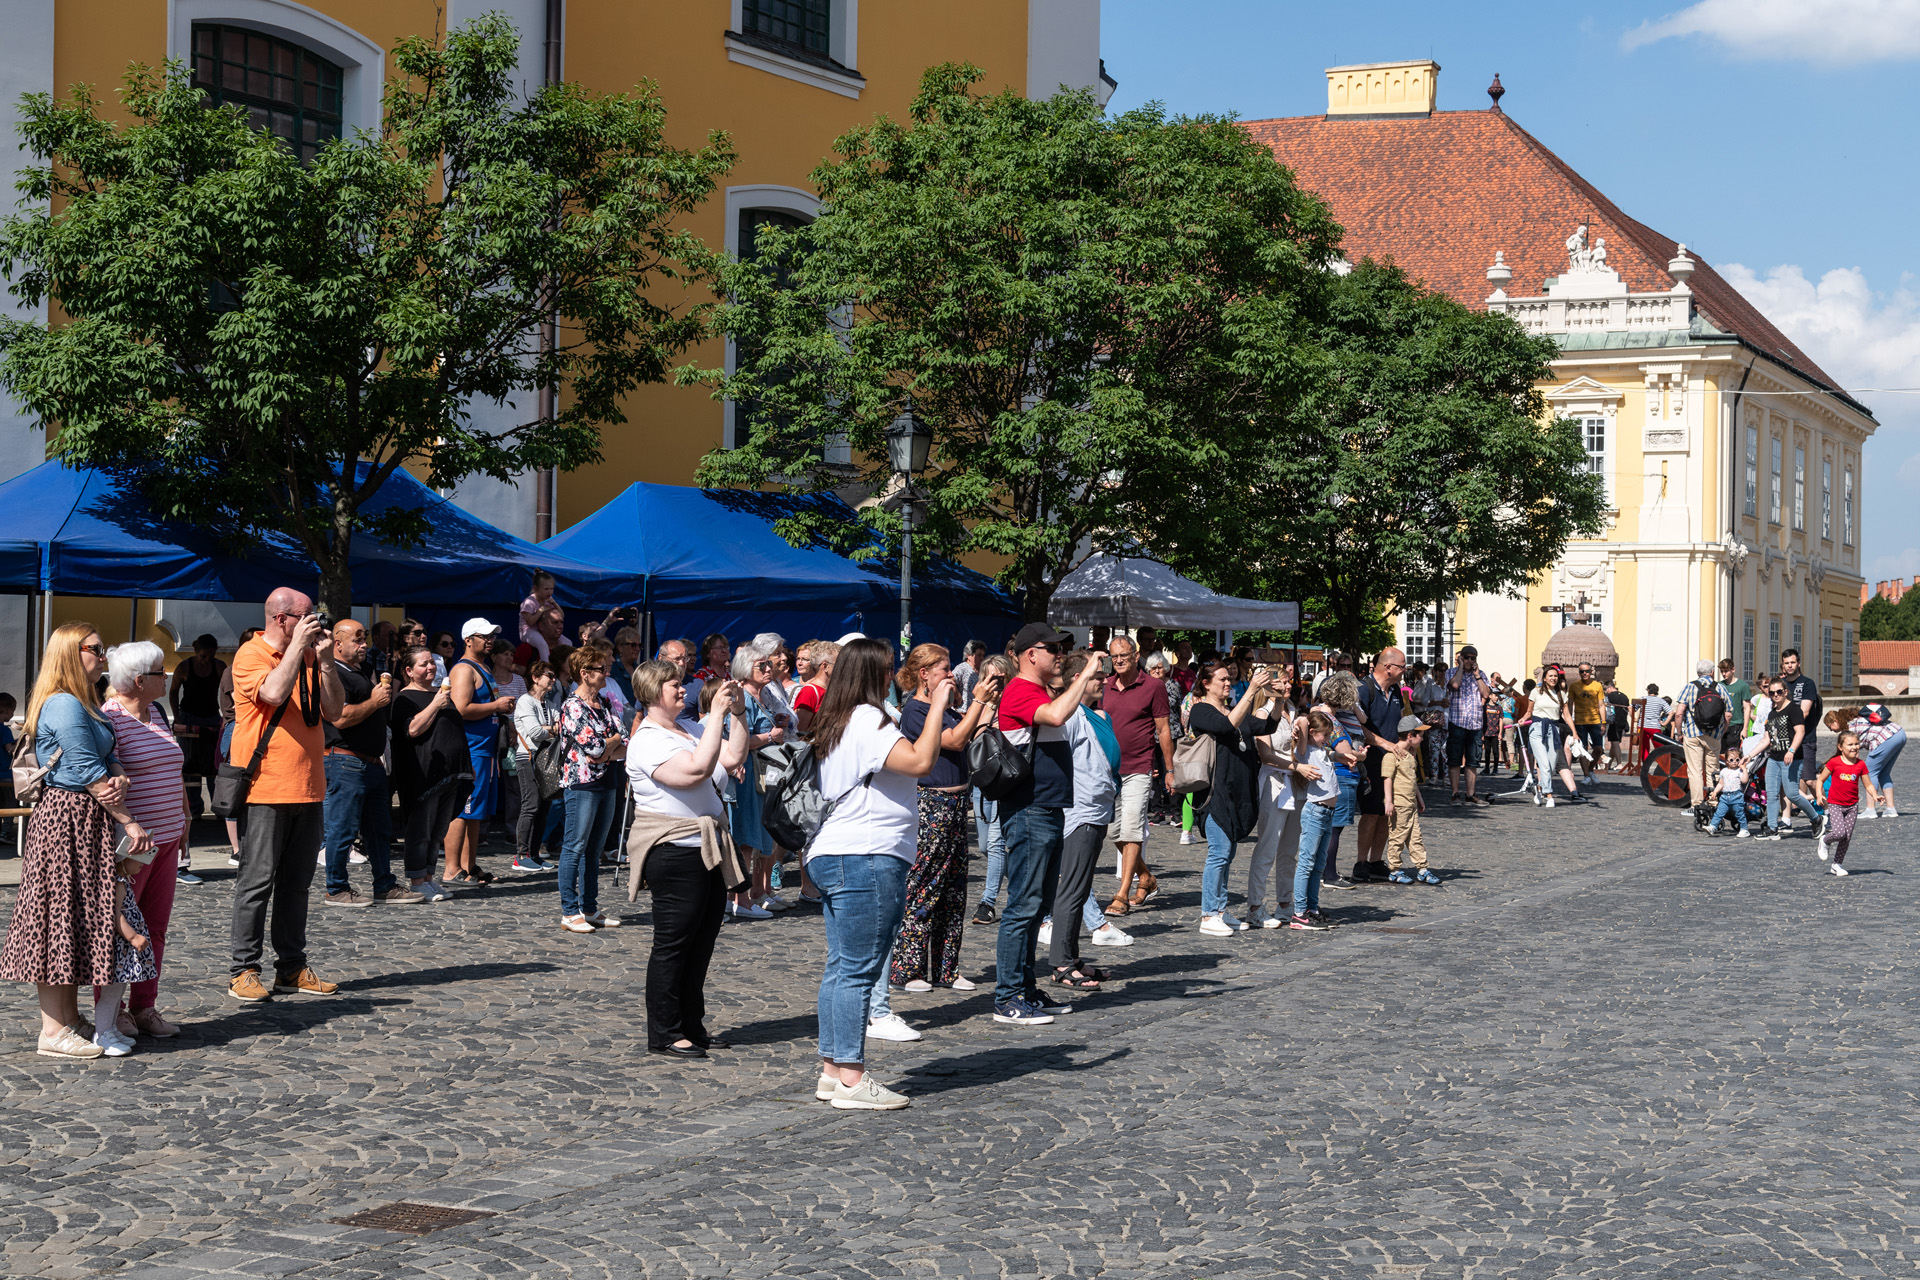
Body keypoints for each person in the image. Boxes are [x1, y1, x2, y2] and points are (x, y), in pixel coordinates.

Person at [806, 638, 951, 1110]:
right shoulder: (868, 720)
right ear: (872, 674)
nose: (893, 676)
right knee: (858, 970)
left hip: (839, 851)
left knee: (841, 966)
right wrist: (938, 707)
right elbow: (921, 762)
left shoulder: (838, 719)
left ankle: (833, 1071)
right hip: (867, 853)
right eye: (887, 669)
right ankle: (851, 1077)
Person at [2, 624, 159, 1057]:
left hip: (85, 820)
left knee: (74, 920)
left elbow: (107, 758)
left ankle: (69, 1020)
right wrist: (127, 819)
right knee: (55, 920)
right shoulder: (64, 704)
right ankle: (52, 1032)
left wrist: (118, 775)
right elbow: (88, 768)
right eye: (96, 648)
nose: (104, 656)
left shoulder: (86, 703)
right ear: (72, 653)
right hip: (65, 820)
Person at [623, 658, 749, 1058]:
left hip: (707, 847)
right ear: (651, 691)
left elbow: (731, 758)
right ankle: (664, 1032)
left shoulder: (688, 728)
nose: (683, 690)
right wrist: (714, 715)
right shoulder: (648, 739)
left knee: (702, 943)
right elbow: (695, 771)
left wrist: (739, 714)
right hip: (673, 850)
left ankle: (692, 1026)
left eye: (682, 684)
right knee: (674, 945)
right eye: (674, 685)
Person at [227, 589, 344, 1005]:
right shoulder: (251, 654)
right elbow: (273, 694)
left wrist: (325, 661)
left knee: (296, 885)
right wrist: (298, 648)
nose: (315, 622)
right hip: (266, 787)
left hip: (309, 787)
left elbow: (333, 711)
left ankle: (292, 968)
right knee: (256, 882)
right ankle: (243, 969)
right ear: (281, 619)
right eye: (307, 616)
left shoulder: (311, 656)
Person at [991, 623, 1099, 1027]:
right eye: (1052, 648)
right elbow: (1055, 715)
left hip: (1047, 807)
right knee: (1023, 907)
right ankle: (1007, 998)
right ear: (1029, 654)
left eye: (1061, 647)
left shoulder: (1038, 690)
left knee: (1037, 908)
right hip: (1029, 809)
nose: (1059, 654)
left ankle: (1025, 989)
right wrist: (1084, 675)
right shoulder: (1020, 689)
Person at [887, 644, 999, 995]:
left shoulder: (947, 709)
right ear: (924, 674)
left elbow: (972, 732)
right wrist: (977, 703)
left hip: (955, 805)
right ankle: (908, 968)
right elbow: (954, 739)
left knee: (953, 892)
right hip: (931, 804)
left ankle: (946, 968)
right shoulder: (917, 711)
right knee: (924, 888)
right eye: (944, 669)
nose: (951, 674)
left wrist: (988, 698)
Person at [100, 641, 190, 1040]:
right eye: (159, 671)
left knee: (155, 926)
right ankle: (112, 1009)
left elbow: (173, 766)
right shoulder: (110, 719)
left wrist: (185, 816)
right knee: (121, 927)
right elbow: (107, 781)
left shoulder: (156, 712)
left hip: (167, 836)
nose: (166, 677)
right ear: (139, 681)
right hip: (132, 846)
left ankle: (144, 1006)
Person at [318, 620, 416, 908]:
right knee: (342, 828)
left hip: (370, 763)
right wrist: (374, 702)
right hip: (345, 761)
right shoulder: (333, 674)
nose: (363, 645)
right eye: (357, 640)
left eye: (364, 639)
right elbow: (340, 717)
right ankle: (336, 888)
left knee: (379, 830)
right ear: (337, 644)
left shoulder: (359, 671)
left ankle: (384, 884)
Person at [1189, 659, 1282, 937]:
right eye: (1222, 680)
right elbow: (1227, 726)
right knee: (1218, 853)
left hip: (1238, 792)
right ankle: (1208, 915)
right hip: (1215, 793)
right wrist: (1252, 690)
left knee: (1227, 854)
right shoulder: (1200, 710)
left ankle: (1220, 910)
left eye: (1230, 680)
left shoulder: (1233, 709)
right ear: (1206, 684)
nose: (1228, 683)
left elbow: (1266, 727)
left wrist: (1277, 700)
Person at [1046, 651, 1120, 985]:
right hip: (1082, 810)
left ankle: (1072, 956)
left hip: (1098, 808)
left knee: (1081, 886)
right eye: (1097, 676)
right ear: (1079, 680)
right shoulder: (1072, 715)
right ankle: (1062, 963)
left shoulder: (1093, 713)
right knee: (1073, 888)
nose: (1104, 681)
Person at [441, 620, 517, 888]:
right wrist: (496, 705)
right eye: (483, 636)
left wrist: (498, 710)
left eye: (491, 636)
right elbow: (460, 708)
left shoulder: (483, 667)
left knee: (477, 812)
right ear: (468, 640)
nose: (489, 640)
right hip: (471, 749)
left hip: (485, 750)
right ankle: (451, 869)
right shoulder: (464, 669)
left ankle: (469, 865)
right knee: (464, 809)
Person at [556, 641, 626, 932]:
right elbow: (596, 748)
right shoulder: (573, 706)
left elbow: (623, 738)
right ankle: (569, 911)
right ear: (584, 673)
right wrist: (610, 745)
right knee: (575, 846)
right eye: (601, 668)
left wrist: (609, 745)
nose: (607, 672)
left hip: (607, 780)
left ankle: (590, 907)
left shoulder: (604, 703)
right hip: (582, 783)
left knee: (594, 849)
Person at [1102, 635, 1172, 917]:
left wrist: (1169, 769)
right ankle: (1146, 878)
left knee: (1131, 828)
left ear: (1136, 655)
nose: (1118, 660)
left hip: (1139, 767)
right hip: (1107, 770)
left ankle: (1122, 893)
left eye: (1123, 655)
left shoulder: (1153, 686)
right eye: (1114, 656)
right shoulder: (1103, 686)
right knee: (1112, 832)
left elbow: (1164, 729)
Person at [389, 646, 464, 903]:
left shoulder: (441, 694)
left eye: (431, 663)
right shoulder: (404, 698)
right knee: (420, 830)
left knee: (437, 831)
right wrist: (435, 704)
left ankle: (429, 878)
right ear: (409, 671)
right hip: (422, 775)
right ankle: (417, 880)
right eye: (423, 664)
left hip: (448, 774)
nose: (430, 667)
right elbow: (411, 730)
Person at [725, 638, 785, 920]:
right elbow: (739, 740)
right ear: (745, 668)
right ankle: (742, 900)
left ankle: (737, 898)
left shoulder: (759, 697)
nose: (768, 668)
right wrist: (769, 736)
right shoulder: (744, 699)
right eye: (761, 664)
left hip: (759, 775)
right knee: (745, 837)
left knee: (750, 837)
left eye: (768, 663)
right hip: (746, 773)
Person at [1351, 648, 1408, 883]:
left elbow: (1402, 719)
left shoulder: (1395, 689)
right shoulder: (1364, 689)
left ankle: (1376, 861)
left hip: (1393, 759)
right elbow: (1357, 725)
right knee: (1371, 812)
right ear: (1388, 667)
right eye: (1402, 666)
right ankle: (1361, 862)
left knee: (1387, 812)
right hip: (1371, 758)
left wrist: (1406, 743)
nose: (1405, 671)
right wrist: (1384, 743)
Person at [969, 653, 1017, 925]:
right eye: (990, 677)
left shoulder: (1013, 702)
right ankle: (1031, 885)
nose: (996, 682)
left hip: (1004, 781)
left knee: (997, 844)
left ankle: (987, 903)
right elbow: (974, 735)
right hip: (982, 782)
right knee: (986, 846)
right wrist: (987, 702)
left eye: (1000, 677)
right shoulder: (981, 704)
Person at [1287, 710, 1344, 930]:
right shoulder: (1304, 750)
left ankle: (1312, 908)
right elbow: (1302, 723)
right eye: (1324, 735)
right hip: (1315, 811)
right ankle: (1299, 913)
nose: (1327, 739)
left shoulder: (1320, 750)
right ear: (1312, 733)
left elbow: (1330, 753)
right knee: (1306, 863)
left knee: (1319, 864)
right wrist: (1303, 722)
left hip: (1328, 813)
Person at [511, 661, 564, 871]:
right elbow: (534, 733)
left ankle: (533, 854)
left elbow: (560, 727)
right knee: (530, 805)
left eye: (553, 676)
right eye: (549, 675)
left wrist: (548, 728)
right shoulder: (525, 701)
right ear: (535, 677)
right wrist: (552, 729)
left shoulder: (549, 703)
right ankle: (520, 856)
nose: (553, 679)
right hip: (528, 758)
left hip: (545, 759)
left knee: (544, 808)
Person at [167, 632, 224, 817]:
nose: (207, 660)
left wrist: (226, 715)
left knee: (213, 764)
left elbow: (228, 692)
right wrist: (177, 717)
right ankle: (194, 809)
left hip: (211, 717)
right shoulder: (184, 667)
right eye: (203, 656)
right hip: (189, 717)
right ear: (195, 651)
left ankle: (218, 807)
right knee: (190, 765)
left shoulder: (219, 667)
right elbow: (173, 692)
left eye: (211, 656)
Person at [1758, 676, 1821, 840]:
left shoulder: (1794, 709)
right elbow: (1766, 740)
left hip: (1792, 758)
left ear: (1785, 692)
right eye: (1772, 693)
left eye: (1779, 691)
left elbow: (1800, 732)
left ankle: (1816, 818)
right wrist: (1749, 755)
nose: (1776, 695)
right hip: (1774, 758)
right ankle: (1772, 828)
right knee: (1771, 794)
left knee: (1792, 794)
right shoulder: (1772, 714)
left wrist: (1791, 750)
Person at [1665, 661, 1729, 812]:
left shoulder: (1690, 686)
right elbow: (1728, 714)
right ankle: (1713, 804)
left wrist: (1679, 733)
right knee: (1713, 770)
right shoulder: (1720, 687)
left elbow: (1679, 713)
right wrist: (1721, 732)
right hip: (1714, 735)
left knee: (1695, 771)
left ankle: (1696, 806)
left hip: (1693, 734)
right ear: (1712, 672)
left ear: (1697, 672)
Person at [1383, 714, 1437, 884]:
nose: (1422, 738)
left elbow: (1412, 780)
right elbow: (1388, 779)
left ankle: (1422, 868)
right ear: (1409, 736)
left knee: (1416, 838)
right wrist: (1389, 801)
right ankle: (1395, 869)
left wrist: (1419, 797)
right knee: (1397, 837)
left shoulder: (1409, 755)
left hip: (1411, 804)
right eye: (1420, 735)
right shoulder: (1391, 756)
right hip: (1399, 804)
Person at [1814, 731, 1879, 874]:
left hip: (1852, 806)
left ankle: (1836, 864)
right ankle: (1825, 840)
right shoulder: (1834, 762)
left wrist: (1875, 795)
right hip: (1835, 804)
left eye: (1856, 744)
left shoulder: (1861, 764)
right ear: (1840, 747)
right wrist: (1819, 795)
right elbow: (1820, 780)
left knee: (1847, 837)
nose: (1854, 747)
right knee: (1839, 833)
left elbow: (1867, 784)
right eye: (1850, 744)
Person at [1443, 646, 1495, 806]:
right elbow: (1455, 685)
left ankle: (1470, 794)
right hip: (1457, 722)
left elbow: (1486, 694)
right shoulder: (1451, 672)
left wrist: (1477, 675)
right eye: (1466, 657)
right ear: (1461, 658)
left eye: (1473, 658)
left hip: (1475, 723)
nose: (1470, 661)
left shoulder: (1481, 675)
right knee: (1455, 760)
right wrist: (1460, 667)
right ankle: (1455, 794)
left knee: (1473, 761)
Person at [1528, 665, 1584, 806]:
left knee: (1552, 766)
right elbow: (1529, 712)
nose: (1553, 678)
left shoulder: (1560, 694)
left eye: (1555, 676)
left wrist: (1574, 732)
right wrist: (1522, 720)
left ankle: (1539, 788)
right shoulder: (1535, 692)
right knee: (1544, 764)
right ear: (1545, 678)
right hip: (1537, 728)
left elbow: (1566, 715)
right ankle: (1549, 796)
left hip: (1553, 729)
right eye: (1550, 676)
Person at [1846, 702, 1904, 819]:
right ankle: (1890, 809)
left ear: (1835, 722)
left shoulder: (1851, 727)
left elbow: (1852, 749)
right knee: (1884, 773)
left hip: (1886, 738)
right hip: (1900, 733)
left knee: (1869, 772)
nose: (1832, 730)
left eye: (1830, 726)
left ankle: (1870, 809)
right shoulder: (1862, 720)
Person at [1780, 648, 1823, 806]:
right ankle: (1787, 818)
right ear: (1783, 665)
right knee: (1786, 781)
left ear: (1798, 663)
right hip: (1785, 740)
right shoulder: (1781, 685)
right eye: (1787, 663)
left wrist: (1783, 722)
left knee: (1810, 780)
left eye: (1792, 662)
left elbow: (1804, 712)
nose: (1790, 666)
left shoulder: (1807, 683)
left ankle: (1824, 810)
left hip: (1805, 738)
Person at [1569, 662, 1607, 782]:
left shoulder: (1597, 686)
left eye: (1586, 671)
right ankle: (1586, 775)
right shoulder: (1574, 686)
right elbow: (1570, 704)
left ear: (1591, 672)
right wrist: (1569, 719)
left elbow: (1601, 704)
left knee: (1598, 749)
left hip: (1595, 720)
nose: (1584, 673)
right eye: (1581, 671)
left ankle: (1591, 770)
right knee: (1583, 749)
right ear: (1579, 673)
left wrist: (1603, 721)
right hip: (1580, 721)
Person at [1705, 746, 1754, 839]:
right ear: (1726, 761)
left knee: (1739, 813)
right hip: (1725, 796)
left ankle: (1744, 829)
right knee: (1719, 812)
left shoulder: (1739, 771)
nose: (1734, 761)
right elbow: (1721, 784)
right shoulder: (1724, 771)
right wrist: (1715, 792)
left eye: (1737, 759)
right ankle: (1713, 827)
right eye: (1731, 760)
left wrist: (1744, 770)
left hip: (1736, 796)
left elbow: (1744, 780)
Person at [790, 640, 837, 735]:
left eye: (805, 659)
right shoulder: (809, 691)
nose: (799, 663)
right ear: (825, 666)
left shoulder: (831, 689)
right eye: (837, 664)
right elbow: (800, 733)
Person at [683, 633, 732, 717]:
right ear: (708, 653)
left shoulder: (730, 675)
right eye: (719, 648)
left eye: (726, 647)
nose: (724, 650)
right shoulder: (700, 677)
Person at [1718, 659, 1751, 752]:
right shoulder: (1719, 685)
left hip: (1736, 724)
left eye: (1726, 671)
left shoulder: (1742, 686)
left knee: (1734, 753)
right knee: (1721, 753)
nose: (1724, 674)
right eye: (1722, 671)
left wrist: (1745, 729)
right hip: (1722, 724)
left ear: (1733, 670)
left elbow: (1746, 708)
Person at [1603, 680, 1631, 772]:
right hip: (1623, 722)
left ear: (1610, 687)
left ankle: (1619, 763)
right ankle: (1609, 764)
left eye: (1606, 689)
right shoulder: (1624, 696)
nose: (1606, 691)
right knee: (1614, 744)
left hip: (1613, 722)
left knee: (1615, 743)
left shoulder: (1609, 697)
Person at [953, 640, 985, 710]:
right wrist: (956, 696)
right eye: (979, 655)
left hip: (975, 713)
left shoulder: (981, 671)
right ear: (969, 655)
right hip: (961, 713)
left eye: (983, 655)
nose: (982, 658)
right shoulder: (962, 668)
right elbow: (949, 681)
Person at [1640, 684, 1669, 764]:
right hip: (1655, 726)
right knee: (1659, 747)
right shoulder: (1660, 701)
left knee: (1644, 747)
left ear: (1648, 690)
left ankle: (1646, 765)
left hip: (1643, 726)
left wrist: (1635, 718)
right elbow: (1671, 712)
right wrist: (1664, 723)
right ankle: (1664, 765)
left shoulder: (1642, 699)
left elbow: (1630, 707)